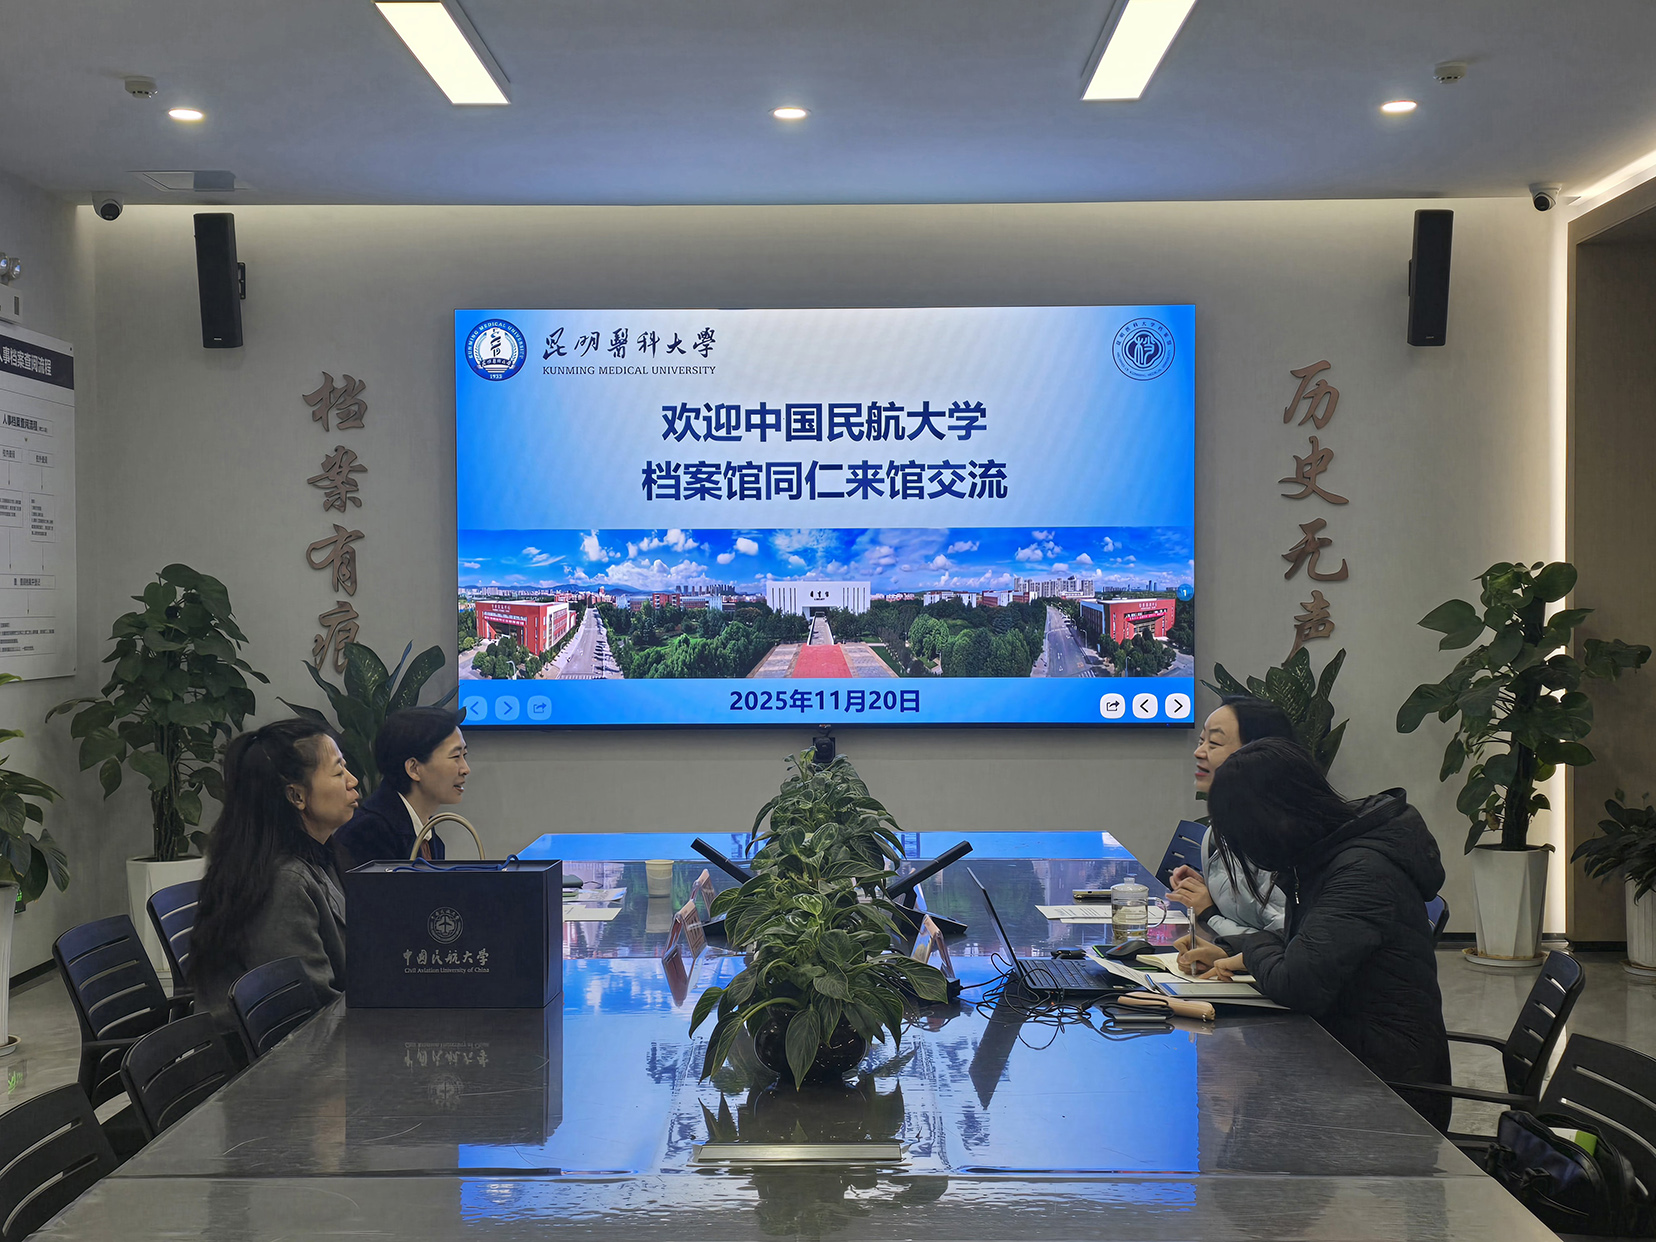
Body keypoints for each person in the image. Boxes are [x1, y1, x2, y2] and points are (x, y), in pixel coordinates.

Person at [1185, 737, 1453, 1131]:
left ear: (1271, 823)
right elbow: (1313, 946)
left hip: (1386, 1092)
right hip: (1348, 1056)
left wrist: (1253, 946)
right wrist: (1233, 950)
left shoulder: (1361, 873)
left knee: (1236, 1124)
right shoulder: (1328, 852)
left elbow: (1299, 984)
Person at [191, 719, 358, 1019]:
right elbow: (311, 1011)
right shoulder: (286, 881)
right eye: (338, 772)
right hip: (289, 1045)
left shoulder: (318, 854)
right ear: (297, 796)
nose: (352, 781)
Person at [1167, 696, 1293, 941]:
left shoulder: (1285, 840)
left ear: (1259, 753)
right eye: (1201, 741)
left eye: (1214, 743)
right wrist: (1215, 891)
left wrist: (1210, 913)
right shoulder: (1220, 831)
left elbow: (1287, 945)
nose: (1198, 752)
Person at [332, 707, 469, 870]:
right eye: (455, 756)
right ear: (414, 768)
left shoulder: (427, 832)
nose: (465, 769)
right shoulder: (368, 833)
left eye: (464, 755)